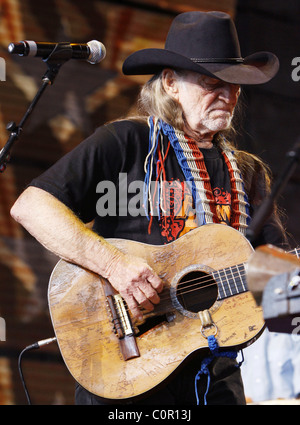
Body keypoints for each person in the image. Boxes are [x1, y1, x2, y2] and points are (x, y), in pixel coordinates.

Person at [11, 11, 287, 405]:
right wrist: (115, 266)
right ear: (172, 83)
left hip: (212, 370)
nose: (227, 95)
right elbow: (31, 206)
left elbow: (276, 276)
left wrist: (280, 291)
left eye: (235, 86)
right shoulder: (126, 141)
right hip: (126, 362)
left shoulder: (247, 172)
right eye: (213, 83)